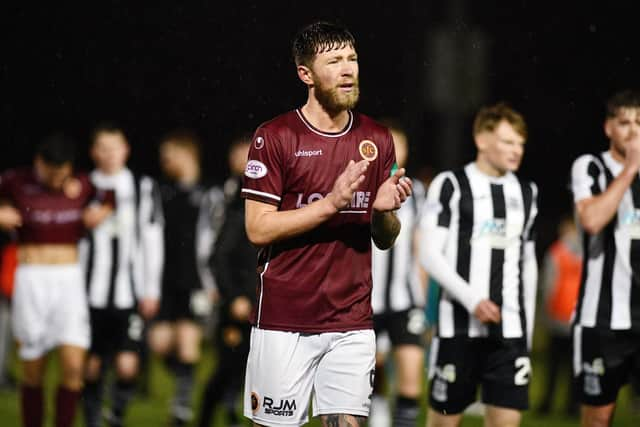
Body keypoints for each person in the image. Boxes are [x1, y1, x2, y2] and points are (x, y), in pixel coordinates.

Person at [241, 21, 413, 427]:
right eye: (334, 61)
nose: (348, 68)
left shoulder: (377, 138)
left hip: (351, 319)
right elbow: (258, 229)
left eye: (352, 59)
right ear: (306, 75)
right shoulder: (275, 137)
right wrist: (332, 204)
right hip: (284, 321)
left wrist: (383, 212)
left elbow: (385, 240)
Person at [419, 102, 538, 427]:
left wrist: (526, 328)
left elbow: (528, 264)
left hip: (509, 332)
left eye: (521, 143)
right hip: (458, 327)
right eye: (508, 141)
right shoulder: (451, 184)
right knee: (443, 422)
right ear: (482, 139)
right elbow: (429, 253)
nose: (517, 150)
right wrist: (472, 300)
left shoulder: (527, 192)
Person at [0, 134, 113, 427]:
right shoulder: (16, 181)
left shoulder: (82, 184)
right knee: (33, 369)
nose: (58, 179)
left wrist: (97, 213)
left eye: (63, 173)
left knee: (74, 366)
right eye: (53, 173)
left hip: (68, 281)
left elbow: (110, 197)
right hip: (31, 279)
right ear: (40, 162)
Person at [81, 123, 164, 427]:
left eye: (115, 147)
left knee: (128, 366)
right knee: (91, 365)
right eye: (103, 148)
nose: (110, 154)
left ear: (126, 149)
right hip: (89, 294)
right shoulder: (82, 186)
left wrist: (151, 290)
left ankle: (114, 416)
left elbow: (153, 241)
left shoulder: (143, 187)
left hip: (129, 293)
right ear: (93, 152)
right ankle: (92, 420)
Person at [570, 89, 640, 427]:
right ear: (608, 127)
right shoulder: (590, 167)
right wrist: (630, 170)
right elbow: (592, 219)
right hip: (602, 319)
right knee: (598, 420)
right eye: (625, 122)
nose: (633, 131)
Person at [148, 130, 224, 427]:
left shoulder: (209, 193)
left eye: (169, 155)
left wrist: (214, 281)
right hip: (165, 281)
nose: (164, 162)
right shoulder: (160, 192)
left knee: (188, 342)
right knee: (159, 344)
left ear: (186, 154)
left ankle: (180, 412)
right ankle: (185, 382)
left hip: (196, 281)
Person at [369, 121, 426, 427]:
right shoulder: (363, 188)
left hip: (406, 300)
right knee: (369, 374)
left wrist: (423, 300)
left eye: (399, 144)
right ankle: (377, 409)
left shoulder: (417, 192)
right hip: (368, 299)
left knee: (411, 375)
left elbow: (421, 249)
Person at [198, 135, 256, 427]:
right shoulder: (235, 205)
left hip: (264, 304)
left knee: (258, 373)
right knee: (228, 367)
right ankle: (205, 418)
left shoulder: (274, 201)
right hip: (237, 304)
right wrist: (233, 296)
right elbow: (217, 257)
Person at [536, 215, 581, 416]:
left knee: (554, 365)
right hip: (575, 317)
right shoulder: (588, 252)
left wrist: (547, 311)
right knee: (572, 366)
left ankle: (548, 404)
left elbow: (548, 285)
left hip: (559, 315)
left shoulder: (556, 252)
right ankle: (571, 407)